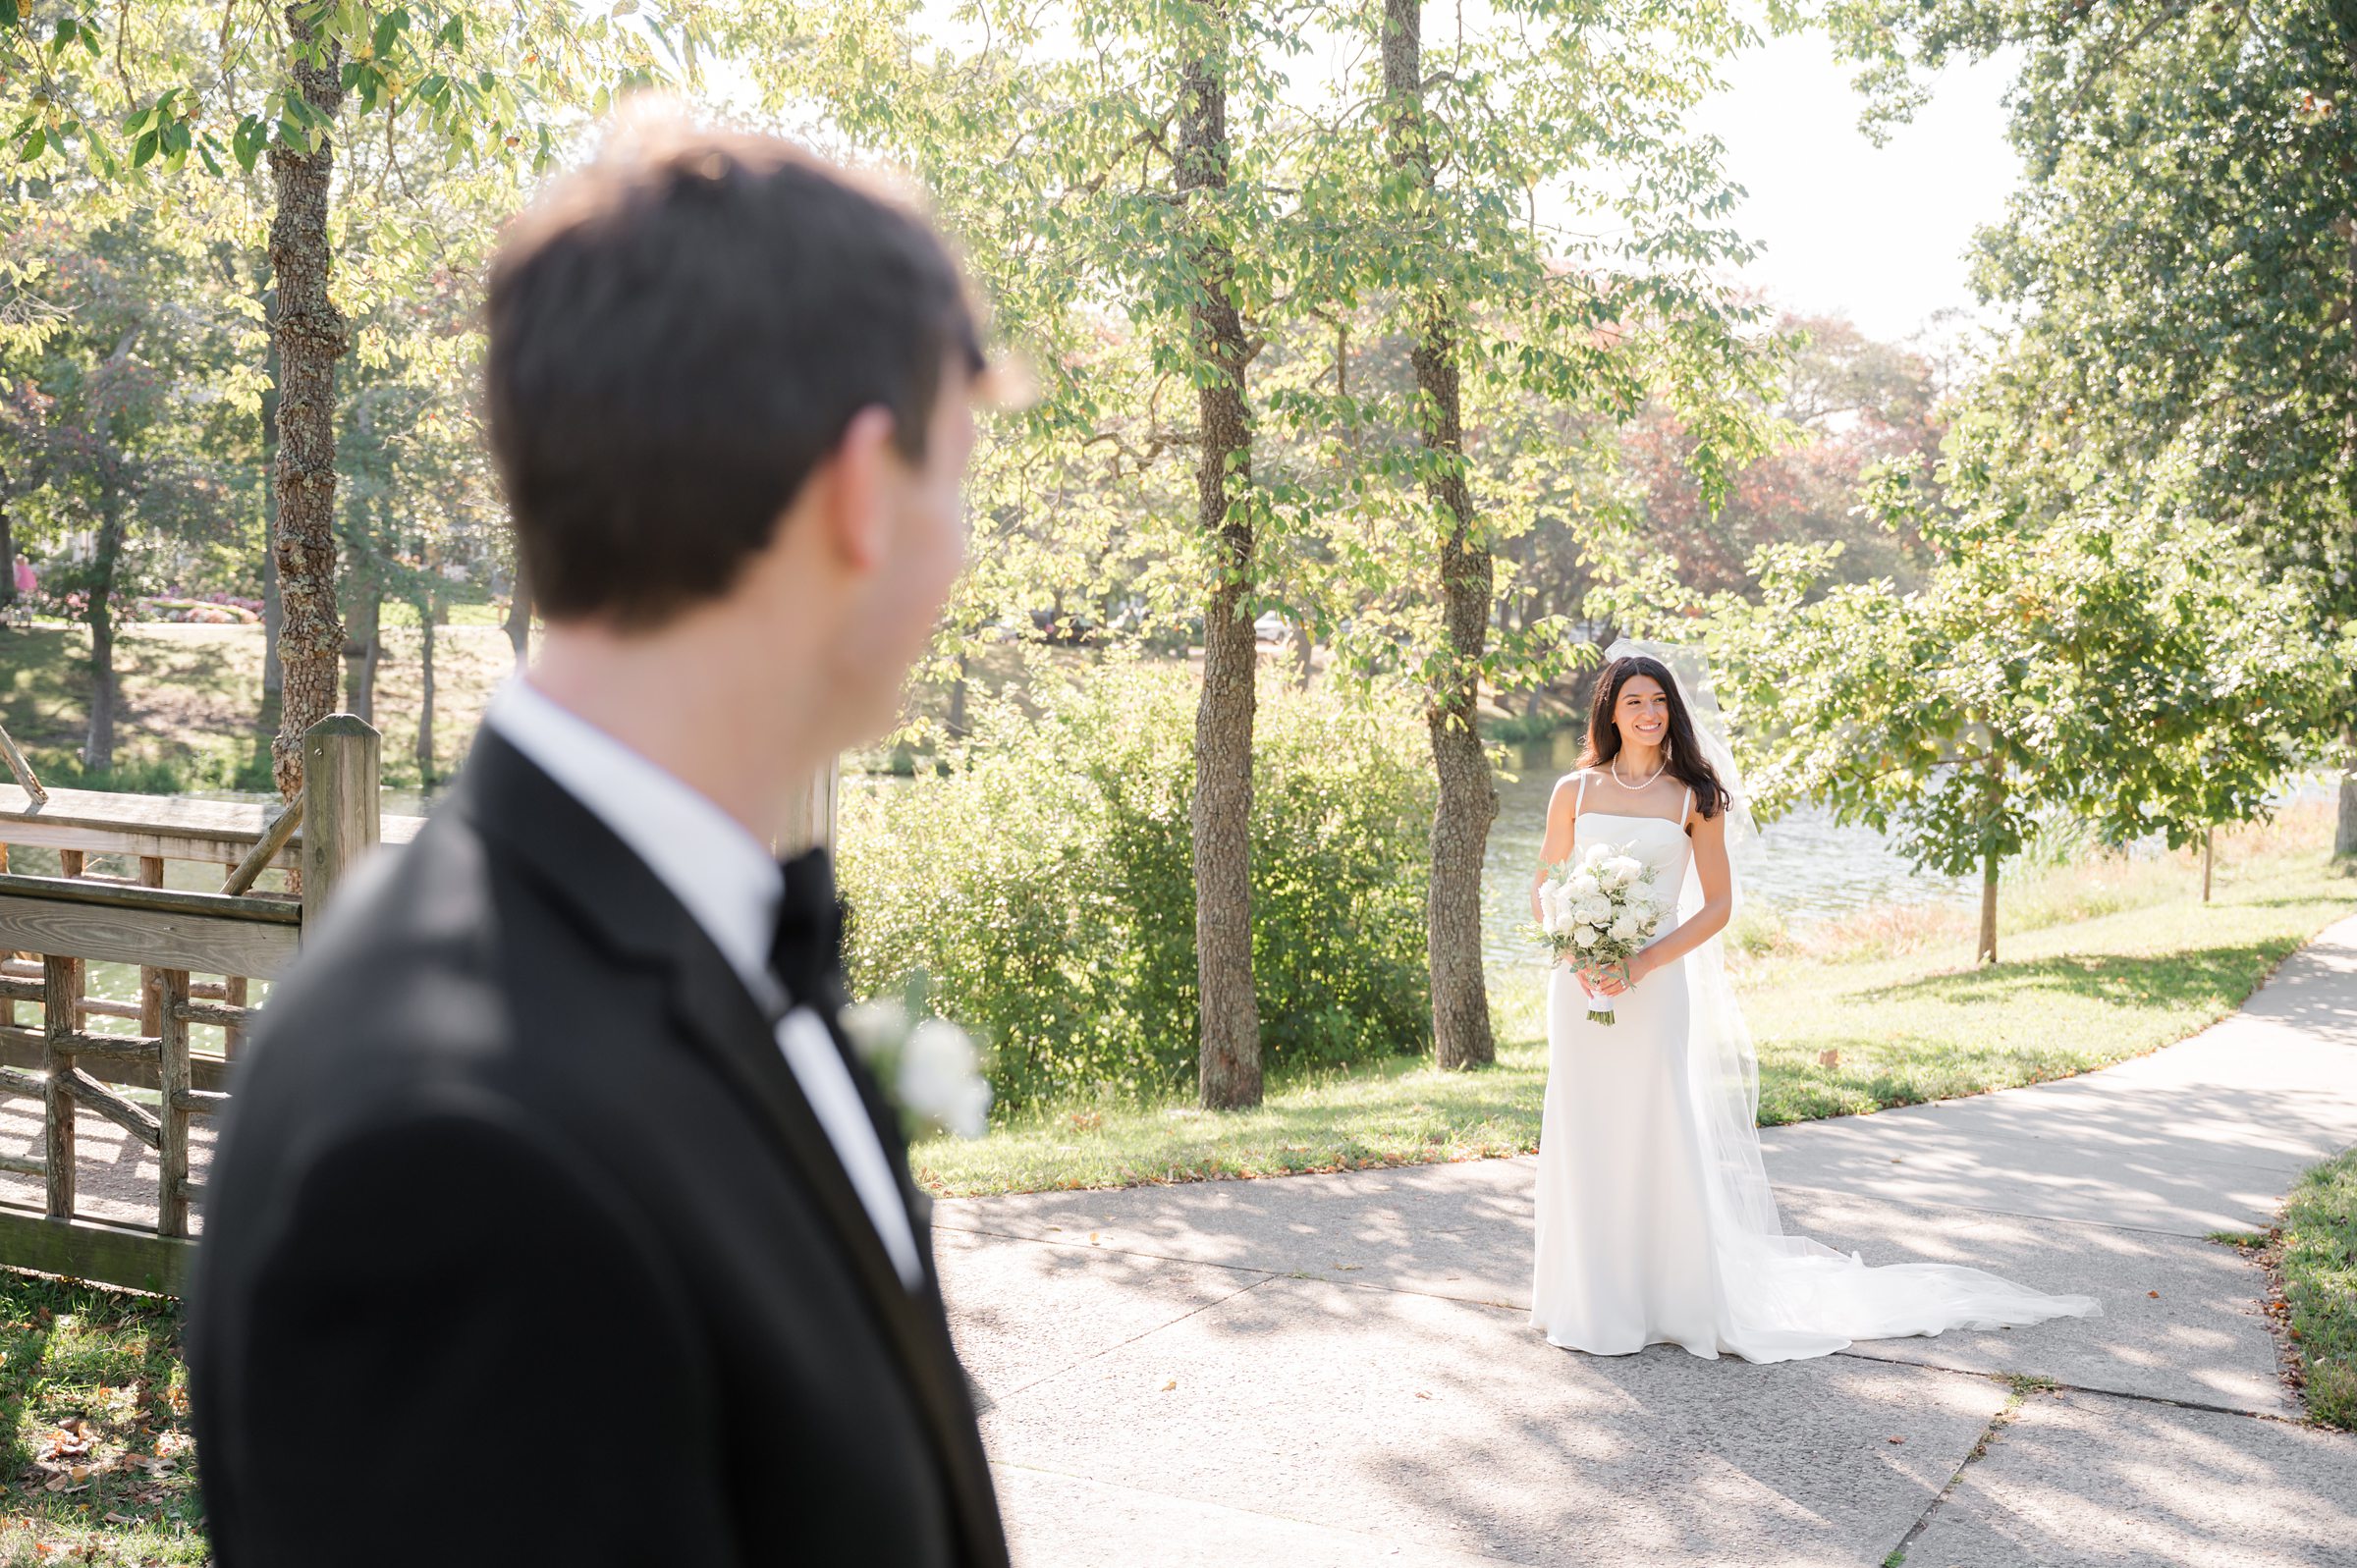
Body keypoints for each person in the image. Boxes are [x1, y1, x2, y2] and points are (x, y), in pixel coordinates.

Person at [189, 117, 1012, 1566]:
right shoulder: (456, 1162)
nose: (962, 539)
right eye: (957, 473)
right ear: (860, 490)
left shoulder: (642, 948)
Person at [1526, 640, 2101, 1361]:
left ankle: (1664, 1296)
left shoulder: (1693, 799)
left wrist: (1639, 961)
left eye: (1660, 699)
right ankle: (1585, 1297)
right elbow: (1546, 886)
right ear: (1610, 709)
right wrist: (1578, 951)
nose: (1648, 712)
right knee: (1584, 1126)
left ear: (1673, 710)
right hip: (1579, 990)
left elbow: (1717, 907)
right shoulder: (1572, 793)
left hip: (1655, 980)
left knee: (1653, 1124)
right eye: (1634, 700)